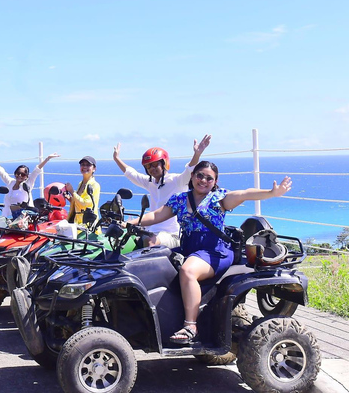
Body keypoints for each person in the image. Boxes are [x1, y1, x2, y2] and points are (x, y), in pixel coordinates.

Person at [127, 161, 292, 345]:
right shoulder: (181, 199)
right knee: (151, 260)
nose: (203, 180)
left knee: (188, 271)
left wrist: (272, 193)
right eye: (199, 175)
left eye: (209, 178)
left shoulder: (218, 199)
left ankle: (191, 325)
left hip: (213, 251)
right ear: (192, 176)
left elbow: (244, 194)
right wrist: (130, 223)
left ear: (215, 181)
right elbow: (157, 215)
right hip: (188, 248)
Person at [113, 135, 212, 248]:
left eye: (155, 164)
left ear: (164, 163)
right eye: (148, 166)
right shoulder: (150, 183)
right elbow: (132, 174)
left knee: (150, 241)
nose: (152, 168)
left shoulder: (177, 181)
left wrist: (197, 154)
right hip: (150, 231)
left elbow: (190, 170)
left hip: (172, 235)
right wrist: (116, 158)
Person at [0, 153, 59, 218]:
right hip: (8, 215)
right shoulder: (10, 182)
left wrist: (47, 158)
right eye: (18, 173)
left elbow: (37, 170)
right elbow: (1, 172)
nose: (20, 176)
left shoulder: (28, 184)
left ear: (26, 176)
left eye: (23, 174)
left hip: (23, 217)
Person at [64, 156, 100, 229]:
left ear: (94, 169)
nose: (85, 167)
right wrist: (70, 199)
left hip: (88, 224)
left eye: (88, 165)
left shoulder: (95, 185)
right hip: (77, 222)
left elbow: (86, 204)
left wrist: (72, 191)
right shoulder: (81, 183)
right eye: (83, 164)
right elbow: (79, 202)